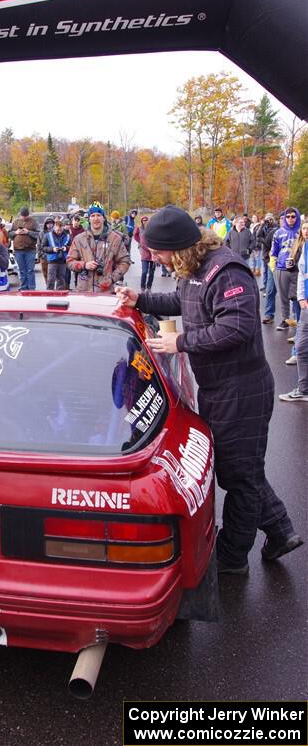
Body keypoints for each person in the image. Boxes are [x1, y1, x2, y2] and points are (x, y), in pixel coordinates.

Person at [116, 205, 303, 574]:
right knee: (239, 469)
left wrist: (181, 343)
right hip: (219, 387)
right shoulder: (193, 268)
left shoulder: (226, 269)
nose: (155, 257)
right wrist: (141, 299)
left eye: (158, 252)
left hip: (242, 388)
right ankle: (281, 530)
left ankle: (233, 559)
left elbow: (237, 327)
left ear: (178, 246)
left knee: (240, 477)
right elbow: (182, 302)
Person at [67, 202, 130, 293]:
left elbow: (125, 261)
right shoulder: (79, 239)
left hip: (105, 291)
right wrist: (84, 265)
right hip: (83, 292)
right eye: (92, 215)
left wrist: (111, 279)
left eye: (99, 215)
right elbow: (69, 261)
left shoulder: (115, 239)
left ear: (104, 218)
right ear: (89, 219)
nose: (96, 219)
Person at [279, 219, 308, 402]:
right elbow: (302, 276)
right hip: (306, 305)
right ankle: (304, 389)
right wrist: (301, 297)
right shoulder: (304, 248)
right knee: (302, 347)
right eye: (304, 228)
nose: (306, 231)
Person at [271, 207, 301, 331]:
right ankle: (285, 319)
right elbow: (274, 251)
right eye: (287, 216)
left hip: (298, 270)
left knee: (297, 296)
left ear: (297, 217)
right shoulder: (278, 232)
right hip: (281, 269)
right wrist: (273, 267)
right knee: (283, 296)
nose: (290, 219)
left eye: (293, 216)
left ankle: (298, 319)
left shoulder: (302, 231)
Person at [8, 206, 38, 290]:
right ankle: (23, 287)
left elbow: (39, 234)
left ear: (28, 215)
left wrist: (28, 232)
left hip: (30, 250)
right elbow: (9, 234)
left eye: (25, 216)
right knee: (21, 270)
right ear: (20, 215)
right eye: (22, 216)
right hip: (18, 250)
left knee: (30, 270)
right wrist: (16, 232)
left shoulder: (34, 222)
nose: (24, 217)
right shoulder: (16, 222)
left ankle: (32, 288)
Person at [40, 217, 70, 290]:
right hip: (52, 261)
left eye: (60, 230)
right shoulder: (47, 235)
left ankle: (60, 295)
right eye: (57, 230)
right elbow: (43, 247)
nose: (59, 231)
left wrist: (66, 248)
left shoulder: (67, 236)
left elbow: (72, 247)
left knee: (61, 280)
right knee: (51, 280)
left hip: (63, 261)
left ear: (63, 228)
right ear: (54, 227)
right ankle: (49, 294)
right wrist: (52, 249)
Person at [133, 215, 155, 290]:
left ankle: (149, 286)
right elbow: (135, 236)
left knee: (151, 273)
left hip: (153, 255)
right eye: (144, 220)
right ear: (142, 221)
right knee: (144, 272)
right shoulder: (140, 229)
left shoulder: (152, 229)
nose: (145, 221)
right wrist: (139, 241)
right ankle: (142, 286)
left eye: (146, 220)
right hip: (145, 254)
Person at [37, 215, 55, 286]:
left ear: (53, 224)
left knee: (53, 274)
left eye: (51, 223)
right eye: (47, 223)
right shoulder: (41, 233)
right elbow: (38, 245)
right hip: (44, 257)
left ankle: (53, 288)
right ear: (45, 224)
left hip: (53, 256)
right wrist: (40, 255)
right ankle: (48, 287)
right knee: (45, 273)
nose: (49, 224)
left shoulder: (56, 232)